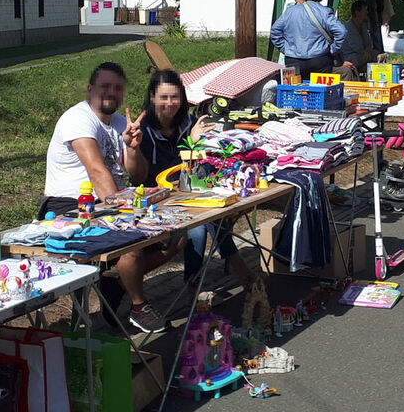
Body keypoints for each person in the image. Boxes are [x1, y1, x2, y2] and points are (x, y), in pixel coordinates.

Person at [42, 62, 182, 333]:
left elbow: (139, 175)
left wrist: (131, 149)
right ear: (90, 89)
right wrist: (126, 217)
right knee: (132, 241)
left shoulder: (119, 123)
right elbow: (96, 171)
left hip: (109, 202)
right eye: (105, 87)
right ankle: (139, 305)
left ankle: (115, 283)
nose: (112, 93)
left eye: (118, 88)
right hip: (70, 206)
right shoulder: (78, 118)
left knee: (177, 235)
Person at [125, 70, 256, 288]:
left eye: (175, 97)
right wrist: (190, 146)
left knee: (216, 210)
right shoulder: (142, 130)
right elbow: (142, 177)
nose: (170, 103)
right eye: (163, 97)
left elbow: (201, 169)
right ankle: (196, 286)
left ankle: (219, 273)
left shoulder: (190, 122)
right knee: (198, 227)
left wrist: (202, 144)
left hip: (188, 193)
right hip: (155, 201)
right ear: (151, 97)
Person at [270, 0, 347, 78]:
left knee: (295, 90)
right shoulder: (324, 12)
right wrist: (333, 49)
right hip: (319, 59)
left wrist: (285, 48)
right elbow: (341, 31)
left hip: (293, 59)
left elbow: (274, 31)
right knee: (320, 90)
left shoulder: (290, 12)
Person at [339, 1, 376, 81]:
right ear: (357, 12)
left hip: (363, 53)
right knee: (368, 57)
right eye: (365, 10)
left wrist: (368, 50)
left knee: (376, 54)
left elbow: (369, 43)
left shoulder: (363, 25)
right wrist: (365, 52)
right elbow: (356, 46)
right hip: (349, 57)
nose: (367, 12)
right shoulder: (348, 27)